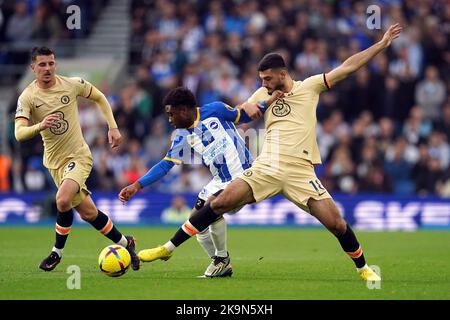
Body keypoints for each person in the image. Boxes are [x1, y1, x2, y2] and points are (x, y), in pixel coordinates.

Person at [138, 24, 404, 282]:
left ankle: (363, 268)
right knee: (219, 202)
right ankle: (167, 249)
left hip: (300, 171)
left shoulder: (309, 87)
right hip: (267, 166)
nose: (263, 83)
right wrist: (260, 104)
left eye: (267, 79)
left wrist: (381, 44)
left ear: (282, 74)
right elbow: (243, 111)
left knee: (336, 224)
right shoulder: (263, 93)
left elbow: (347, 67)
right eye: (261, 79)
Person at [119, 86, 279, 277]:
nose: (169, 120)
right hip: (218, 181)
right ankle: (221, 262)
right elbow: (165, 165)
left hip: (242, 177)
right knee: (197, 222)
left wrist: (267, 101)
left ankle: (174, 249)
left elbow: (244, 116)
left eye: (172, 114)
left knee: (210, 211)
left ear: (184, 110)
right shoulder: (182, 136)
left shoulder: (215, 110)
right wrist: (137, 185)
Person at [14, 47, 140, 272]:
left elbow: (100, 97)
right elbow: (19, 133)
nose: (48, 68)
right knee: (89, 213)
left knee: (62, 200)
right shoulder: (28, 97)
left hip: (79, 156)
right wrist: (40, 126)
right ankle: (126, 243)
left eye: (51, 63)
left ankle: (56, 253)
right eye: (42, 65)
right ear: (32, 68)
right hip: (54, 163)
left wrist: (112, 127)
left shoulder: (71, 84)